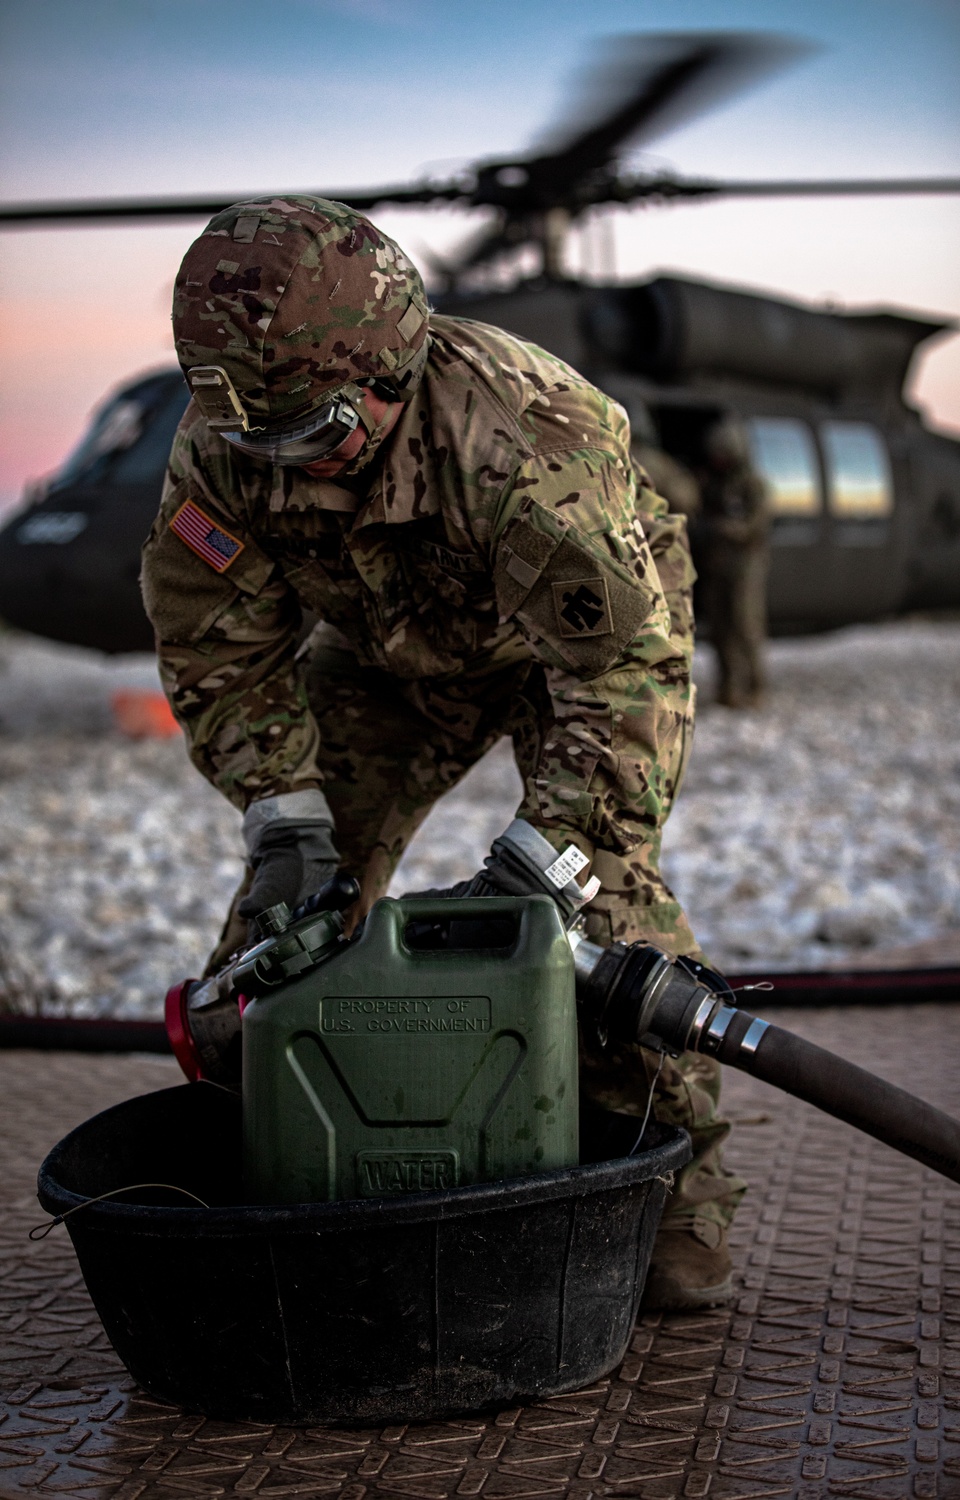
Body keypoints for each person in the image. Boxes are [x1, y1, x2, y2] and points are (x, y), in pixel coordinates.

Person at [140, 195, 744, 1309]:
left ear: (392, 371)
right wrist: (285, 821)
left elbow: (624, 679)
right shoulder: (234, 444)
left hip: (570, 648)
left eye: (318, 439)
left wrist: (547, 860)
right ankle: (278, 1180)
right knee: (283, 933)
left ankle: (672, 1213)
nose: (295, 471)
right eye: (260, 445)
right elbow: (214, 647)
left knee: (597, 924)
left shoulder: (524, 443)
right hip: (386, 649)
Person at [700, 418, 771, 708]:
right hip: (718, 566)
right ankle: (728, 687)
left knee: (745, 625)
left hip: (745, 566)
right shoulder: (714, 483)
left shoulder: (752, 484)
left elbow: (757, 526)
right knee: (720, 628)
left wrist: (725, 528)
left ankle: (755, 687)